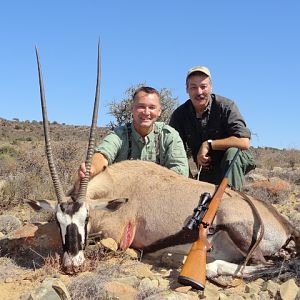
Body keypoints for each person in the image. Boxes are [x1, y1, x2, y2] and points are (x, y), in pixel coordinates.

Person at [169, 66, 255, 190]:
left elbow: (244, 142)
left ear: (211, 87)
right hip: (207, 169)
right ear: (187, 89)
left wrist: (208, 144)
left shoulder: (226, 106)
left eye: (203, 86)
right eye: (193, 87)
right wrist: (188, 178)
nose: (199, 92)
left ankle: (233, 196)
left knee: (232, 153)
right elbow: (174, 152)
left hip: (235, 160)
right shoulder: (179, 115)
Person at [79, 86, 189, 179]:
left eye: (152, 107)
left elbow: (180, 172)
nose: (146, 112)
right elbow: (103, 154)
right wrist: (93, 167)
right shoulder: (119, 134)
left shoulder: (169, 135)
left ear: (159, 111)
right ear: (132, 108)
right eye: (141, 106)